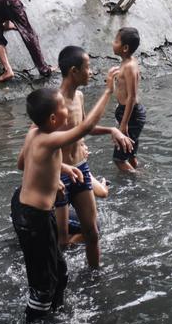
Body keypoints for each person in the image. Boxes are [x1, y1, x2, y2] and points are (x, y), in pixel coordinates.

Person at [11, 80, 114, 321]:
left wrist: (60, 168)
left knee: (60, 272)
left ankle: (55, 316)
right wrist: (108, 90)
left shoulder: (35, 134)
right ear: (53, 119)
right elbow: (86, 127)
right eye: (63, 108)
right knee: (43, 285)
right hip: (34, 219)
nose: (68, 110)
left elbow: (23, 163)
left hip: (31, 213)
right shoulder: (49, 139)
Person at [52, 45, 134, 268]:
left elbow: (85, 127)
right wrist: (54, 173)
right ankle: (59, 279)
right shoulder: (54, 102)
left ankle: (95, 275)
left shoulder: (79, 96)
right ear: (74, 71)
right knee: (62, 241)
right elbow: (39, 143)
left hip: (81, 168)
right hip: (60, 175)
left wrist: (111, 130)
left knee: (93, 232)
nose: (91, 72)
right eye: (87, 68)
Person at [109, 27, 146, 174]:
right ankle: (140, 173)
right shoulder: (127, 62)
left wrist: (124, 124)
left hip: (131, 116)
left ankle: (138, 179)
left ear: (125, 48)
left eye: (116, 41)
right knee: (130, 153)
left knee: (119, 159)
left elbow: (131, 96)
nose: (113, 43)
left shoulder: (129, 66)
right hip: (128, 113)